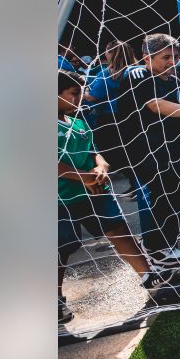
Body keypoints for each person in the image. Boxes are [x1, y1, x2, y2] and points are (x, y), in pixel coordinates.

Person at [58, 71, 156, 324]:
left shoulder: (77, 122)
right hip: (62, 200)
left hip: (96, 191)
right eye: (73, 93)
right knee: (61, 249)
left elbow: (94, 152)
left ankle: (148, 277)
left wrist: (100, 168)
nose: (80, 98)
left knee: (118, 229)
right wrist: (84, 178)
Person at [115, 34, 180, 274]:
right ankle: (155, 247)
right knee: (166, 194)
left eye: (175, 56)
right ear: (146, 58)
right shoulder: (137, 75)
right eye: (165, 57)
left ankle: (164, 242)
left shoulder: (175, 79)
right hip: (147, 152)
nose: (172, 61)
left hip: (174, 148)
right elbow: (156, 105)